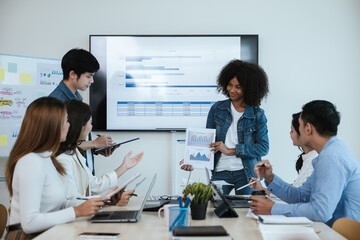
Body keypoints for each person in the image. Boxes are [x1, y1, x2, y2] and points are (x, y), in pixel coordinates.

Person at [5, 97, 108, 239]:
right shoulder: (31, 162)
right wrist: (76, 212)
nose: (69, 126)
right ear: (52, 126)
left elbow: (61, 204)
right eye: (66, 121)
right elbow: (30, 223)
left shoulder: (47, 158)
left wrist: (102, 201)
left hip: (48, 233)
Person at [250, 100, 360, 226]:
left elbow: (320, 212)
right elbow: (301, 196)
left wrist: (273, 209)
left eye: (300, 125)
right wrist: (270, 177)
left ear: (308, 128)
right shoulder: (329, 153)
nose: (298, 130)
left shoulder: (332, 157)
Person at [181, 59, 269, 195]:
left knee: (247, 209)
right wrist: (193, 161)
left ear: (249, 89)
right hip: (220, 171)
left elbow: (263, 147)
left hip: (246, 173)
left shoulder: (257, 115)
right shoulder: (217, 109)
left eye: (238, 87)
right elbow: (207, 143)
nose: (232, 90)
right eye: (229, 85)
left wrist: (230, 150)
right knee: (215, 208)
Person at [56, 100, 144, 205]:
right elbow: (72, 201)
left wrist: (124, 166)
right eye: (90, 123)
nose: (91, 127)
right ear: (80, 126)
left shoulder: (74, 153)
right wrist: (107, 200)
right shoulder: (62, 159)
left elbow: (95, 185)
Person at [49, 48, 113, 175]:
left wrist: (96, 147)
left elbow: (73, 141)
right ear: (73, 74)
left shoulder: (76, 99)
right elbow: (56, 148)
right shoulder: (56, 104)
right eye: (89, 76)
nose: (92, 81)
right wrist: (94, 143)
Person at [250, 112, 318, 194]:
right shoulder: (309, 158)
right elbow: (293, 190)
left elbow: (295, 195)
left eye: (292, 130)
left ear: (307, 131)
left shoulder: (314, 161)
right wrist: (262, 189)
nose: (290, 133)